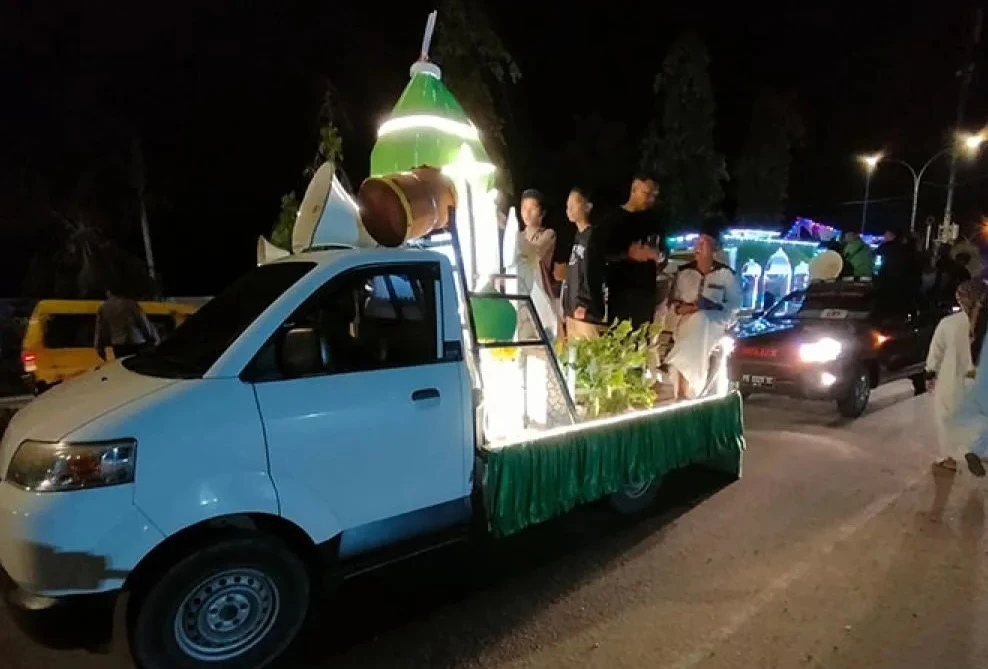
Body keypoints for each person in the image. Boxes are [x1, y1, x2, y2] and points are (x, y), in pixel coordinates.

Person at [664, 220, 741, 399]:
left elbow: (734, 307)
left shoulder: (726, 275)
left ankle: (685, 383)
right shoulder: (684, 273)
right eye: (697, 243)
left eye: (704, 244)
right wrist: (682, 309)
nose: (698, 247)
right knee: (696, 321)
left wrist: (709, 307)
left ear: (714, 249)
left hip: (715, 322)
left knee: (702, 318)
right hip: (685, 322)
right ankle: (690, 387)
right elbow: (672, 303)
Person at [925, 279, 987, 471]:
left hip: (952, 381)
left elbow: (936, 351)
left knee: (946, 418)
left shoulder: (949, 323)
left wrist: (930, 374)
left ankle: (949, 458)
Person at [587, 174, 665, 329]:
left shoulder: (654, 221)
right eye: (647, 193)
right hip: (621, 296)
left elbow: (664, 252)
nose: (651, 199)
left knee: (641, 346)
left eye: (654, 195)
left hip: (646, 296)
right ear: (634, 189)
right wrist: (627, 254)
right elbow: (599, 256)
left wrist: (658, 256)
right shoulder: (611, 221)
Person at [560, 187, 600, 339]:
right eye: (567, 204)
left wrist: (584, 303)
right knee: (573, 358)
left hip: (585, 312)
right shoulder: (578, 237)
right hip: (572, 309)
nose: (569, 208)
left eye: (574, 203)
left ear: (587, 206)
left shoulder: (593, 237)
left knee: (588, 356)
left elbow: (593, 272)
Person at [95, 287, 159, 360]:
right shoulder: (131, 304)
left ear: (108, 292)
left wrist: (100, 347)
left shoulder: (104, 307)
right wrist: (154, 339)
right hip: (136, 342)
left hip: (119, 346)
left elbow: (101, 330)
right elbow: (144, 323)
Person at [515, 188, 557, 297]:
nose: (527, 213)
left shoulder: (548, 234)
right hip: (520, 290)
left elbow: (534, 253)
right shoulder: (518, 236)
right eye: (524, 208)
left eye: (532, 208)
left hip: (540, 293)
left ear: (542, 213)